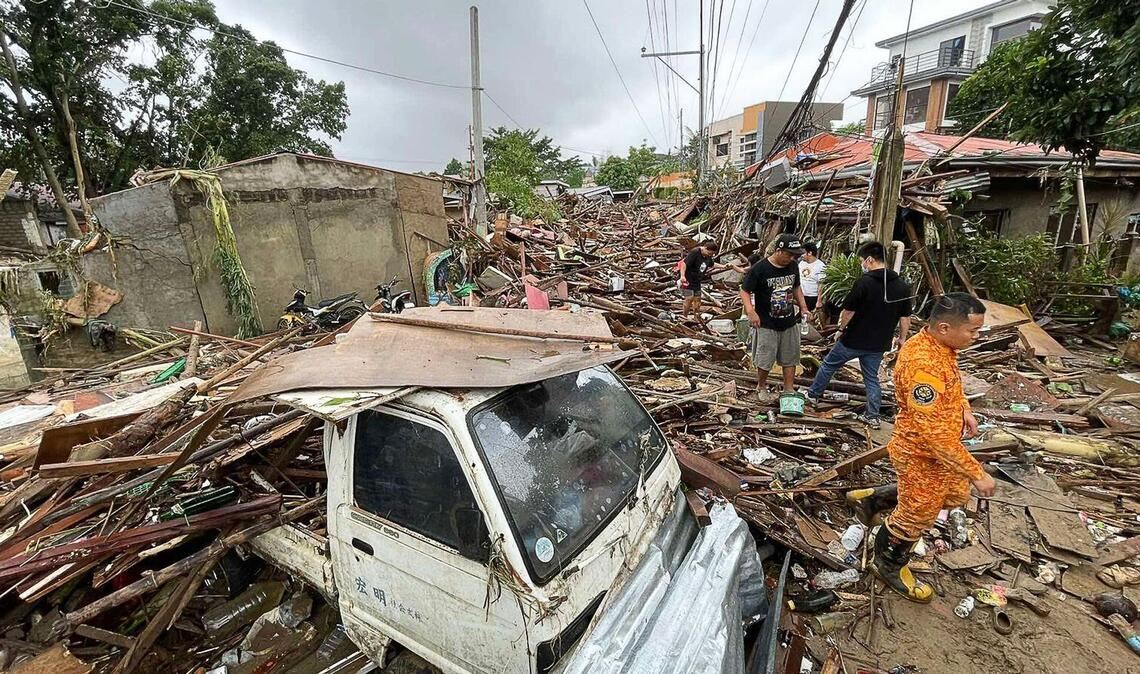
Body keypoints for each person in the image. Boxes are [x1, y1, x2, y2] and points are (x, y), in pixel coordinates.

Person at [869, 293, 996, 603]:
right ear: (943, 327)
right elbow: (934, 435)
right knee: (917, 514)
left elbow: (952, 385)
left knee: (953, 495)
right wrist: (976, 471)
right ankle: (887, 563)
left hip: (937, 454)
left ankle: (872, 500)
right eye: (973, 331)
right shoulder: (923, 365)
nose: (976, 337)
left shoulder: (942, 348)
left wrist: (963, 406)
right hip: (921, 452)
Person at [804, 240, 912, 429]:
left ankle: (812, 396)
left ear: (870, 260)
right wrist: (902, 338)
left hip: (854, 339)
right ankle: (872, 416)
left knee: (829, 365)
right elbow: (905, 317)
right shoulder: (901, 286)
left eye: (863, 260)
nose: (862, 264)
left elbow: (848, 311)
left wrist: (840, 330)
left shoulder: (864, 282)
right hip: (879, 343)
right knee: (871, 378)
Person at [740, 233, 811, 402]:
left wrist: (803, 307)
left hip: (788, 321)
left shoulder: (793, 266)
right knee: (765, 358)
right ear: (779, 250)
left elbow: (796, 288)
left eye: (794, 255)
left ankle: (788, 388)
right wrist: (750, 311)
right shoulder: (760, 269)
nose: (791, 258)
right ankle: (761, 386)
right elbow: (744, 290)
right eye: (789, 254)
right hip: (766, 322)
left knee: (791, 357)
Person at [677, 242, 721, 317]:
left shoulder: (708, 256)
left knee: (697, 299)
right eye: (710, 253)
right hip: (687, 280)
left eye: (712, 254)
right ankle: (684, 316)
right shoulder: (695, 252)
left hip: (697, 280)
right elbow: (684, 264)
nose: (710, 255)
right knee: (689, 298)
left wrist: (723, 266)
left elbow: (712, 264)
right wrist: (682, 276)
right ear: (705, 248)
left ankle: (696, 317)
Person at [798, 243, 826, 312]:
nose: (801, 255)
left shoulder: (820, 266)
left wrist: (819, 301)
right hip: (801, 296)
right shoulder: (801, 263)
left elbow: (821, 284)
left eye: (803, 253)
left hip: (812, 297)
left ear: (810, 253)